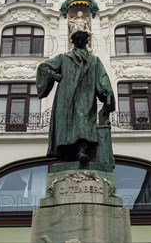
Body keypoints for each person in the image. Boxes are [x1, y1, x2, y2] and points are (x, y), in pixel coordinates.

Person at [37, 30, 114, 166]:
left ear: (86, 42)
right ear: (72, 42)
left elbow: (102, 78)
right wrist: (53, 75)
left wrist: (105, 91)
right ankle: (68, 156)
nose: (80, 42)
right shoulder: (64, 58)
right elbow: (43, 68)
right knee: (66, 126)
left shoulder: (94, 61)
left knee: (84, 121)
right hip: (66, 98)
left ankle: (82, 151)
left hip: (86, 95)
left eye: (83, 39)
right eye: (77, 39)